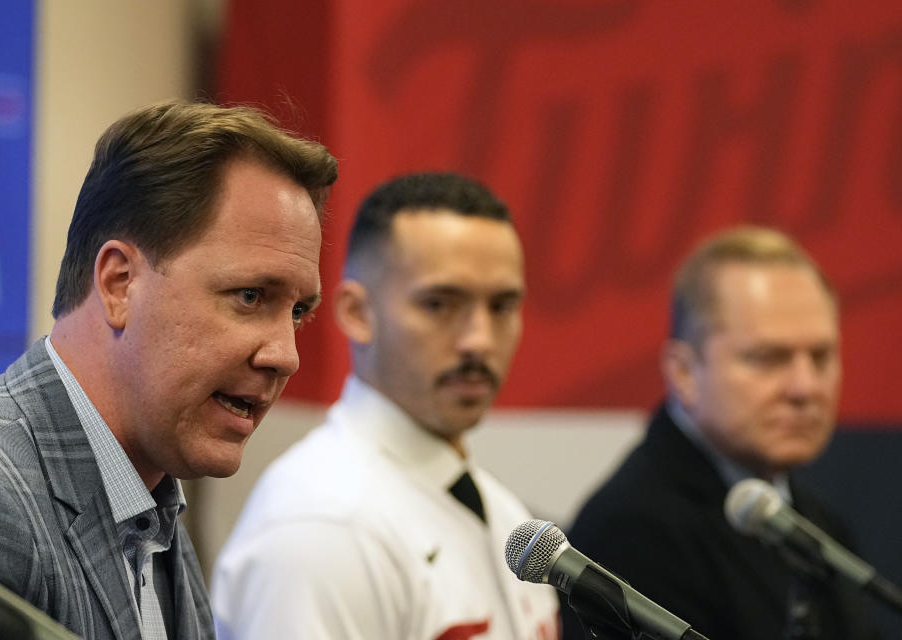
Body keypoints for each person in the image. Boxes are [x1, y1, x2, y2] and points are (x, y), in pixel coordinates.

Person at [0, 100, 338, 640]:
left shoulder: (150, 492)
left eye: (297, 312)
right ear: (119, 283)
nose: (285, 355)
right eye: (250, 296)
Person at [211, 172, 560, 640]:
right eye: (439, 304)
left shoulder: (506, 514)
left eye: (501, 306)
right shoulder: (322, 528)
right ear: (357, 313)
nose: (479, 340)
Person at [562, 226, 874, 640]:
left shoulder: (821, 524)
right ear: (684, 372)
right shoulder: (633, 532)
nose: (806, 388)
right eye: (767, 358)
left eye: (821, 357)